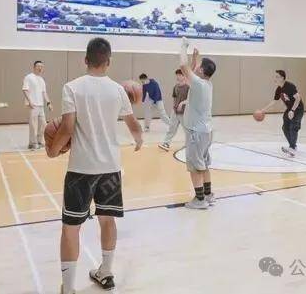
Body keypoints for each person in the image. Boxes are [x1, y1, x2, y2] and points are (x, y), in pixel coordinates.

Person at [48, 38, 144, 294]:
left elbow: (67, 127)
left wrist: (53, 150)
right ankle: (106, 271)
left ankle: (69, 288)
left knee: (71, 228)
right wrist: (139, 140)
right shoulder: (118, 90)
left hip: (81, 169)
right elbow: (133, 124)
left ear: (85, 60)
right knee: (107, 220)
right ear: (108, 61)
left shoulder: (72, 87)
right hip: (110, 168)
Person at [179, 37, 217, 209]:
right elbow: (191, 74)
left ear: (201, 70)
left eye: (199, 65)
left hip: (196, 132)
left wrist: (183, 46)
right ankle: (208, 195)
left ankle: (199, 200)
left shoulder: (199, 84)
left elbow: (183, 66)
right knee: (204, 164)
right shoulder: (207, 84)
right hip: (206, 132)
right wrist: (195, 59)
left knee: (195, 167)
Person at [259, 70, 304, 157]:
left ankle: (292, 148)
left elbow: (298, 98)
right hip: (289, 109)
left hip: (297, 109)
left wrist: (292, 110)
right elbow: (274, 101)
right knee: (285, 128)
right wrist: (263, 110)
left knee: (293, 127)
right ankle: (293, 146)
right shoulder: (279, 89)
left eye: (277, 77)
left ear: (282, 78)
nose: (275, 78)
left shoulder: (290, 86)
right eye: (275, 77)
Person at [22, 61, 52, 149]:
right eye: (38, 66)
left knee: (43, 124)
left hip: (40, 105)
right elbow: (25, 90)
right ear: (34, 67)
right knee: (33, 125)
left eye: (41, 67)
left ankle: (39, 141)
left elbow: (44, 93)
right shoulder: (29, 77)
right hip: (33, 105)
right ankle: (32, 143)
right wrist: (30, 101)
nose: (40, 68)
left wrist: (49, 103)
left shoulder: (41, 79)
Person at [158, 69, 190, 152]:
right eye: (177, 75)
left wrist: (182, 104)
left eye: (180, 75)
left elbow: (190, 99)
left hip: (184, 113)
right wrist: (174, 107)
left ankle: (188, 145)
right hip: (175, 112)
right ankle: (166, 143)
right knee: (171, 128)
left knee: (187, 130)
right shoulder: (175, 87)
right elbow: (174, 98)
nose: (178, 77)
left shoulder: (188, 87)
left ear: (184, 76)